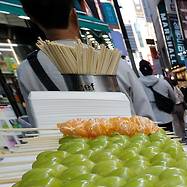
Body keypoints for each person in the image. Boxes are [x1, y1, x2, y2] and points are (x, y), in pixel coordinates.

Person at [17, 0, 154, 120]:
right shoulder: (113, 61)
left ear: (32, 18)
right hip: (129, 147)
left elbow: (38, 121)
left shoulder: (27, 70)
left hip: (68, 149)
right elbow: (147, 119)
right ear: (74, 14)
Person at [138, 60, 177, 132]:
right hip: (166, 118)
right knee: (169, 141)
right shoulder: (163, 82)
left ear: (141, 71)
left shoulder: (137, 85)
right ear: (151, 70)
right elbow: (173, 98)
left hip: (149, 121)